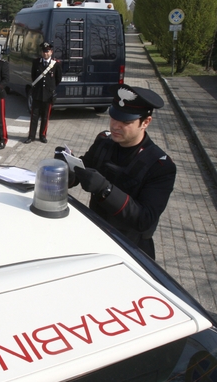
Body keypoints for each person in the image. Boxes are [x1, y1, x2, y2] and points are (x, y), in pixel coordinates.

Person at [57, 84, 176, 259]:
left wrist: (106, 190)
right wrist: (66, 169)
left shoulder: (159, 166)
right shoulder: (104, 141)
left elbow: (145, 219)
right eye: (114, 117)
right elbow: (83, 170)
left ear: (146, 122)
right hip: (95, 235)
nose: (115, 126)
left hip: (130, 249)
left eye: (126, 122)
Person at [25, 42, 62, 144]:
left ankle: (43, 135)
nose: (45, 53)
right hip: (37, 94)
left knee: (45, 117)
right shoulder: (36, 62)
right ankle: (31, 136)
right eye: (43, 51)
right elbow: (33, 76)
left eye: (47, 51)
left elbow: (58, 79)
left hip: (48, 95)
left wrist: (51, 89)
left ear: (51, 52)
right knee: (34, 116)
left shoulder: (56, 64)